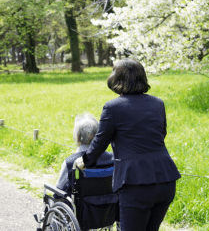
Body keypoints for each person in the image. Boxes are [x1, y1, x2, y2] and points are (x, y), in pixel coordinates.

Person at [75, 59, 181, 231]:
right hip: (166, 179)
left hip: (136, 182)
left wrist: (84, 160)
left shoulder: (113, 107)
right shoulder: (157, 103)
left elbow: (100, 142)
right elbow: (161, 135)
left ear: (117, 79)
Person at [56, 113, 114, 196]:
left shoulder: (71, 162)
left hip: (80, 207)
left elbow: (59, 188)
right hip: (109, 207)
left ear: (77, 136)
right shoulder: (113, 159)